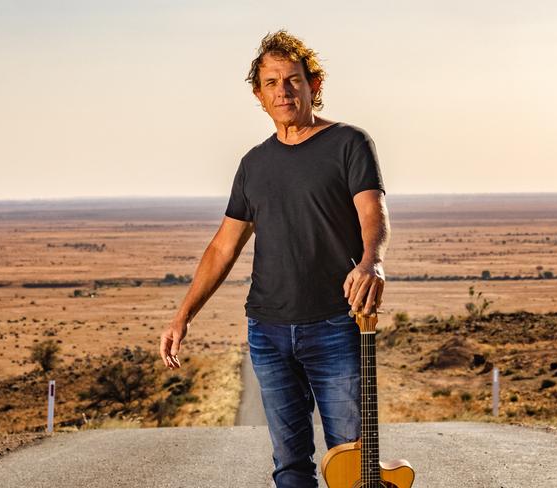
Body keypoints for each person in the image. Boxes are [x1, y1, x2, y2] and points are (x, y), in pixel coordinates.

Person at [159, 30, 390, 488]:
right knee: (289, 466)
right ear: (258, 94)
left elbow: (373, 212)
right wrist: (182, 316)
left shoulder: (349, 143)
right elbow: (224, 246)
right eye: (271, 82)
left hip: (335, 325)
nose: (283, 90)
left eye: (293, 79)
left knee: (353, 463)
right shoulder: (253, 164)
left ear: (313, 84)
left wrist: (371, 261)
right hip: (267, 331)